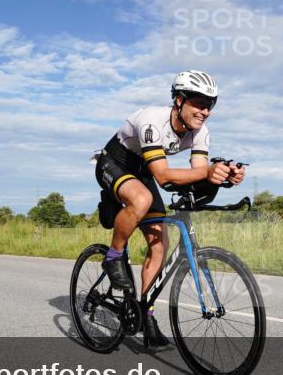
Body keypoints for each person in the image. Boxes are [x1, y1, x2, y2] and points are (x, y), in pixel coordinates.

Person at [94, 70, 245, 347]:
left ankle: (146, 313)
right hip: (114, 163)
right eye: (199, 103)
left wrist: (222, 177)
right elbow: (163, 177)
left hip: (143, 172)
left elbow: (198, 174)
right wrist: (208, 173)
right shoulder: (153, 121)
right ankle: (113, 257)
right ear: (179, 100)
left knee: (159, 245)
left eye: (210, 105)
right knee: (141, 200)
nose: (205, 111)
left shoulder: (200, 132)